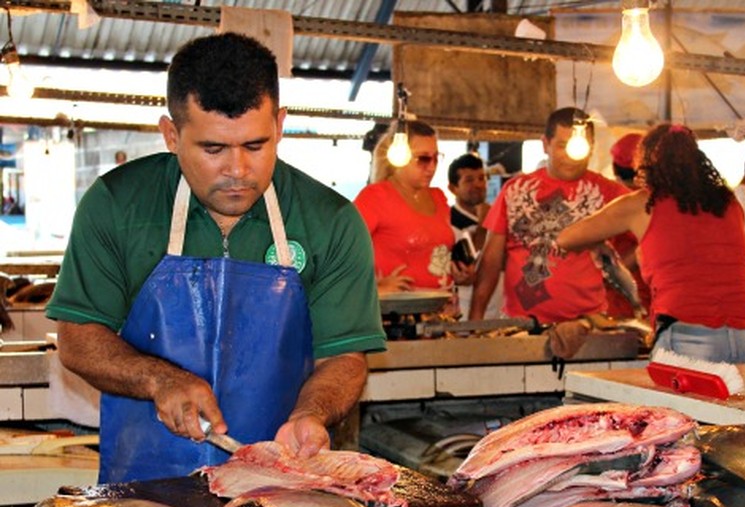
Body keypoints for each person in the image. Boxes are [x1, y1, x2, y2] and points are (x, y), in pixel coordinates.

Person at [45, 33, 386, 483]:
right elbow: (78, 337)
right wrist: (158, 379)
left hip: (279, 486)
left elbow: (343, 357)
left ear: (280, 125)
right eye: (213, 149)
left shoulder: (331, 221)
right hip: (146, 486)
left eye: (255, 145)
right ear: (171, 134)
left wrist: (311, 414)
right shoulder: (117, 204)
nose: (237, 171)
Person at [555, 124, 745, 364]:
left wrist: (598, 244)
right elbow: (694, 253)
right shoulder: (728, 202)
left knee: (675, 404)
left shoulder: (643, 203)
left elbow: (566, 239)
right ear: (696, 158)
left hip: (688, 335)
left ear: (647, 162)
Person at [469, 107, 630, 324]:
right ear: (545, 144)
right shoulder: (515, 190)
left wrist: (620, 269)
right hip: (521, 324)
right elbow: (490, 261)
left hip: (587, 323)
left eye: (579, 147)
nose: (571, 157)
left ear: (591, 147)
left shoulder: (609, 192)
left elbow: (654, 226)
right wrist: (474, 320)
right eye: (562, 146)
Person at [355, 121, 473, 296]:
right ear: (399, 156)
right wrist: (375, 288)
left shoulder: (438, 197)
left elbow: (434, 255)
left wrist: (460, 275)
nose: (432, 167)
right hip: (397, 315)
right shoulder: (376, 197)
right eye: (423, 159)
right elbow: (338, 250)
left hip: (442, 312)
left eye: (436, 158)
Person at [447, 152, 500, 318]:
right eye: (469, 180)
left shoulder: (497, 216)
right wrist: (483, 226)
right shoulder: (447, 222)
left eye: (482, 178)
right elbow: (468, 267)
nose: (478, 184)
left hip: (499, 310)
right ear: (453, 188)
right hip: (464, 311)